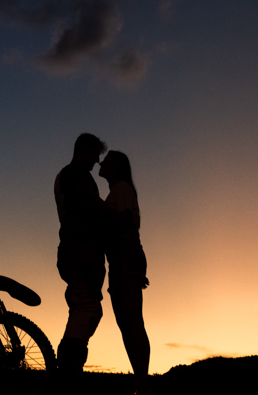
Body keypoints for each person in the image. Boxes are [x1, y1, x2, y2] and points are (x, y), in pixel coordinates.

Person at [54, 133, 108, 382]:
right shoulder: (75, 175)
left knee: (81, 309)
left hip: (77, 251)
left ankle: (69, 372)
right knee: (87, 309)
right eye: (95, 154)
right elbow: (90, 209)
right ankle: (68, 375)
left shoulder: (68, 175)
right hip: (81, 252)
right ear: (84, 149)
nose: (97, 161)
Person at [99, 150, 151, 395]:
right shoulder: (117, 190)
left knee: (132, 322)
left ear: (116, 166)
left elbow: (122, 221)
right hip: (119, 261)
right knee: (125, 324)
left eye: (107, 159)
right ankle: (139, 381)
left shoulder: (122, 188)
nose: (102, 161)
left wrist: (95, 204)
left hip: (127, 259)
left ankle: (142, 383)